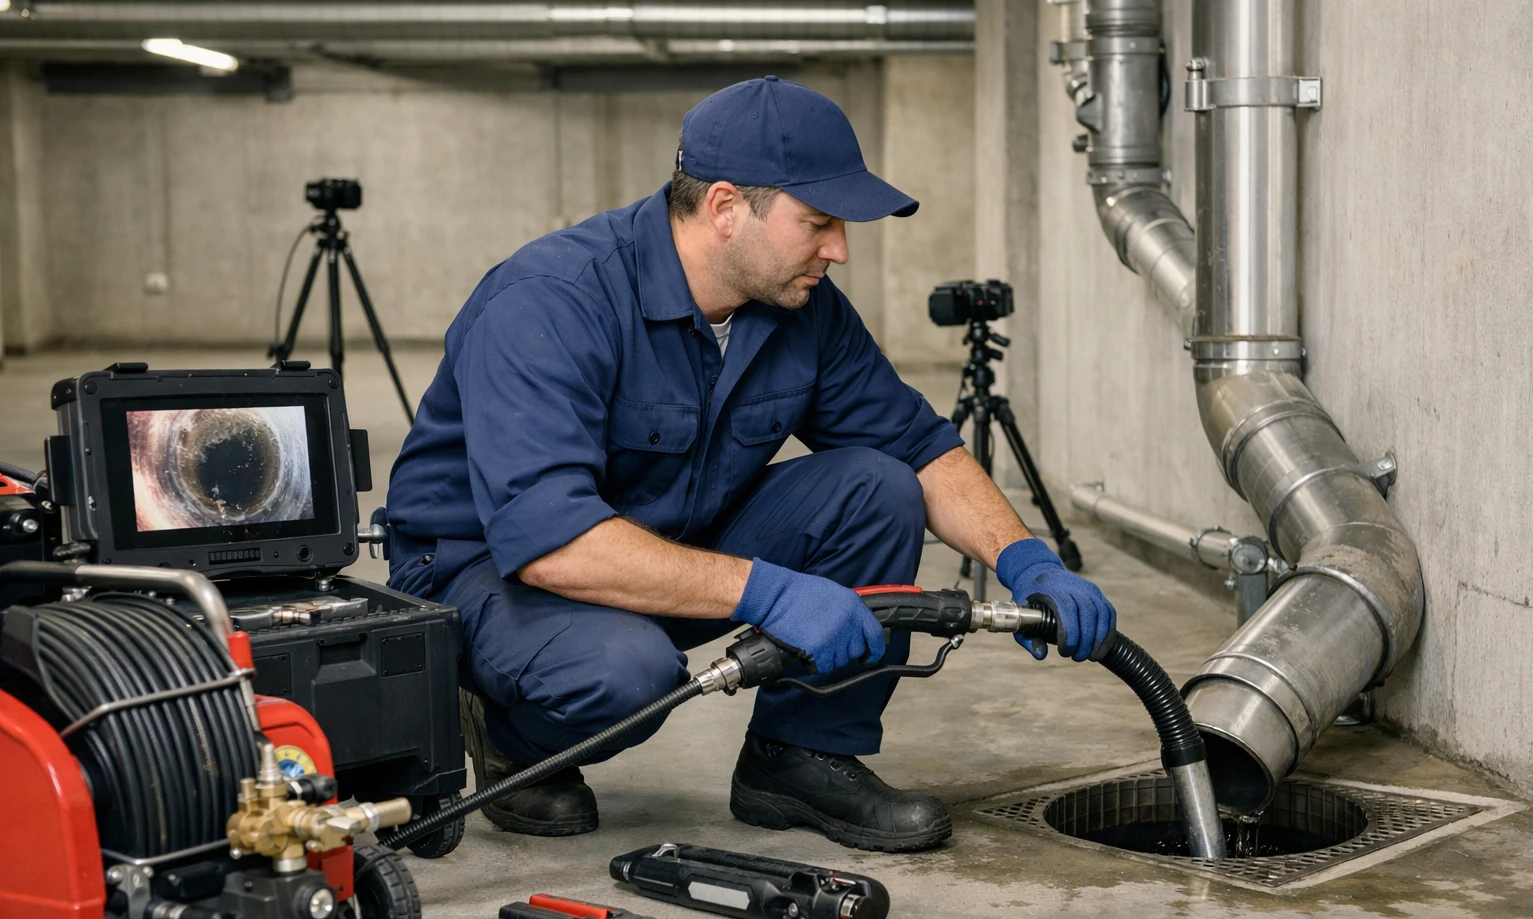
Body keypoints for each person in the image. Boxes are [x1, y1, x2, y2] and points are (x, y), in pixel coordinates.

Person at [386, 76, 1115, 853]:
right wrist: (768, 591)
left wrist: (1026, 558)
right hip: (491, 575)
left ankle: (798, 757)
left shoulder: (801, 306)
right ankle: (510, 734)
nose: (838, 248)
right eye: (818, 222)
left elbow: (918, 447)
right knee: (629, 676)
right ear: (726, 209)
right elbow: (554, 542)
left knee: (876, 487)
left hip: (668, 536)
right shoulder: (551, 301)